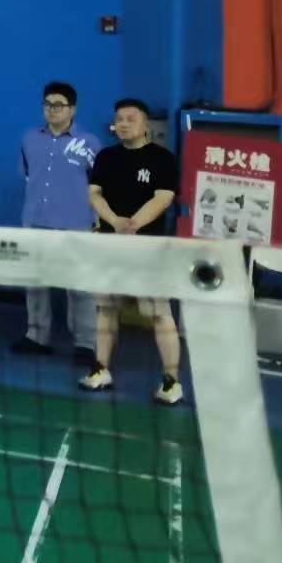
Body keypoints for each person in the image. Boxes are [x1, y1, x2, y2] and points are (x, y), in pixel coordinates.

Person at [80, 98, 183, 404]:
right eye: (119, 119)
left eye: (130, 119)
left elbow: (163, 198)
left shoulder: (162, 159)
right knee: (106, 309)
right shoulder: (106, 157)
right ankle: (101, 369)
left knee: (159, 313)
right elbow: (94, 194)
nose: (123, 124)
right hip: (109, 244)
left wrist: (134, 224)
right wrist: (114, 221)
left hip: (147, 248)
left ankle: (171, 381)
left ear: (145, 124)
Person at [16, 81, 101, 364]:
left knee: (80, 287)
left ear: (72, 109)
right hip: (36, 222)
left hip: (76, 225)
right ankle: (36, 336)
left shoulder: (89, 143)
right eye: (48, 104)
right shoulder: (29, 138)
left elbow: (97, 186)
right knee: (35, 283)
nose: (52, 110)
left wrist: (96, 221)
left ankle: (86, 344)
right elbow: (28, 174)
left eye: (59, 105)